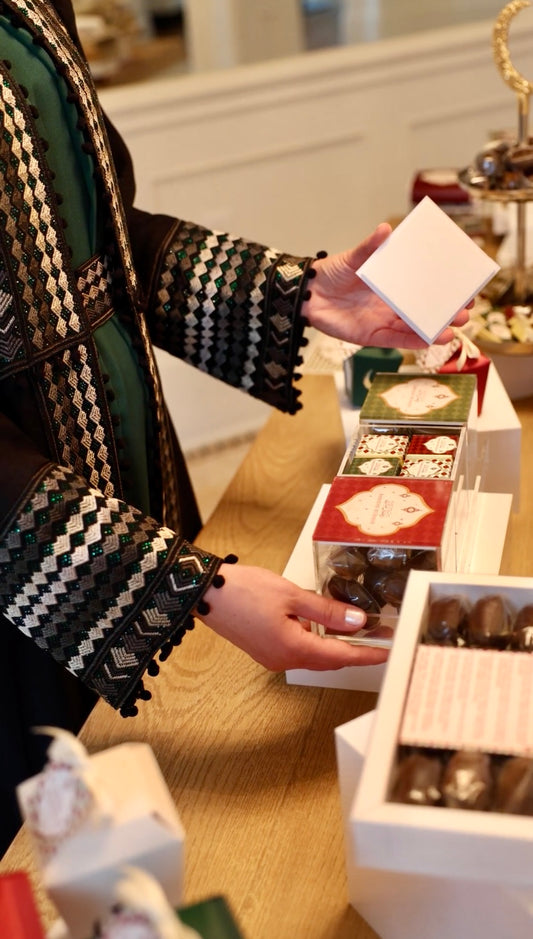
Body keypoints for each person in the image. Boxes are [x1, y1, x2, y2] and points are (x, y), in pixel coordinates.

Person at [0, 0, 470, 853]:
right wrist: (178, 583)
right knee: (64, 844)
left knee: (185, 807)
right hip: (23, 558)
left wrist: (297, 291)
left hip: (127, 466)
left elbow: (97, 242)